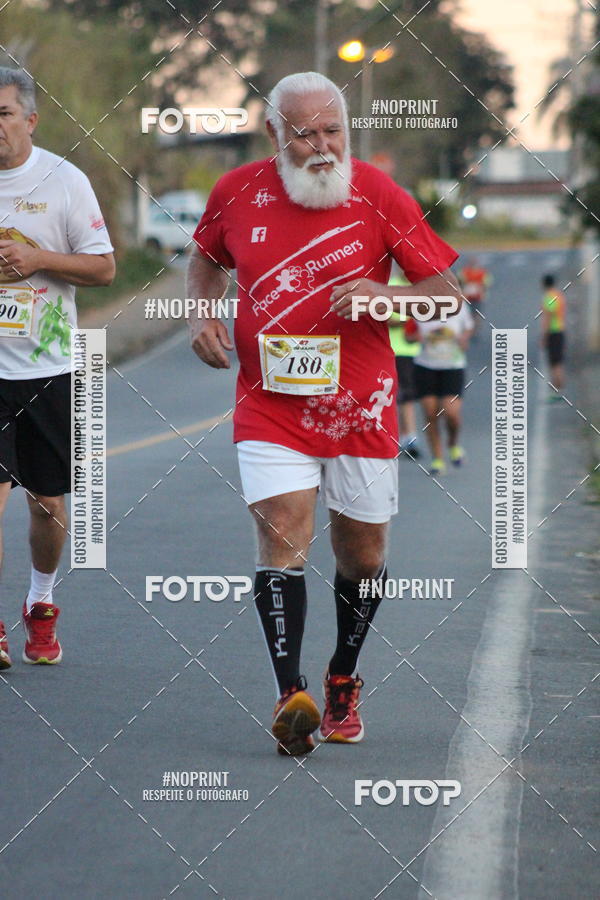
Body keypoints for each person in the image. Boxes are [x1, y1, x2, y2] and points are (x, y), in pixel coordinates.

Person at [188, 72, 460, 755]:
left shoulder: (377, 193)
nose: (321, 146)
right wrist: (201, 312)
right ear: (274, 134)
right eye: (303, 132)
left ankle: (342, 679)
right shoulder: (236, 191)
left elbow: (446, 294)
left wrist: (385, 297)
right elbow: (205, 258)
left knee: (362, 555)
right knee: (283, 530)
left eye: (333, 130)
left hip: (360, 407)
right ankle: (292, 696)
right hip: (269, 404)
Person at [0, 68, 115, 669]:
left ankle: (40, 603)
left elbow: (103, 269)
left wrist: (36, 258)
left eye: (2, 114)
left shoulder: (63, 180)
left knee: (48, 508)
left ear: (30, 120)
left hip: (49, 366)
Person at [405, 303, 473, 475]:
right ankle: (438, 459)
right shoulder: (420, 306)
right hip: (426, 366)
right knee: (430, 414)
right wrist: (416, 337)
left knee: (451, 413)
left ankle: (452, 443)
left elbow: (469, 327)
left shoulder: (458, 305)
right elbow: (408, 334)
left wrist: (464, 339)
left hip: (453, 366)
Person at [387, 271, 422, 458]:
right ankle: (396, 438)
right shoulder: (390, 285)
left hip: (412, 351)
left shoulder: (419, 287)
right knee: (392, 396)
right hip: (393, 350)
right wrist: (409, 320)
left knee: (408, 396)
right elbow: (385, 318)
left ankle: (409, 438)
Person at [540, 273, 566, 398]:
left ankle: (557, 392)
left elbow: (548, 317)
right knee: (558, 362)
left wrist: (544, 337)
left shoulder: (549, 297)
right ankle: (558, 391)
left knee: (554, 364)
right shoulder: (559, 295)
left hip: (553, 332)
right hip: (560, 330)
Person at [460, 256, 491, 333]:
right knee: (474, 314)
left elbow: (459, 282)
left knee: (474, 314)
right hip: (471, 297)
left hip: (474, 297)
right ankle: (473, 329)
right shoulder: (480, 272)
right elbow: (487, 283)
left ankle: (473, 329)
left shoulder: (465, 272)